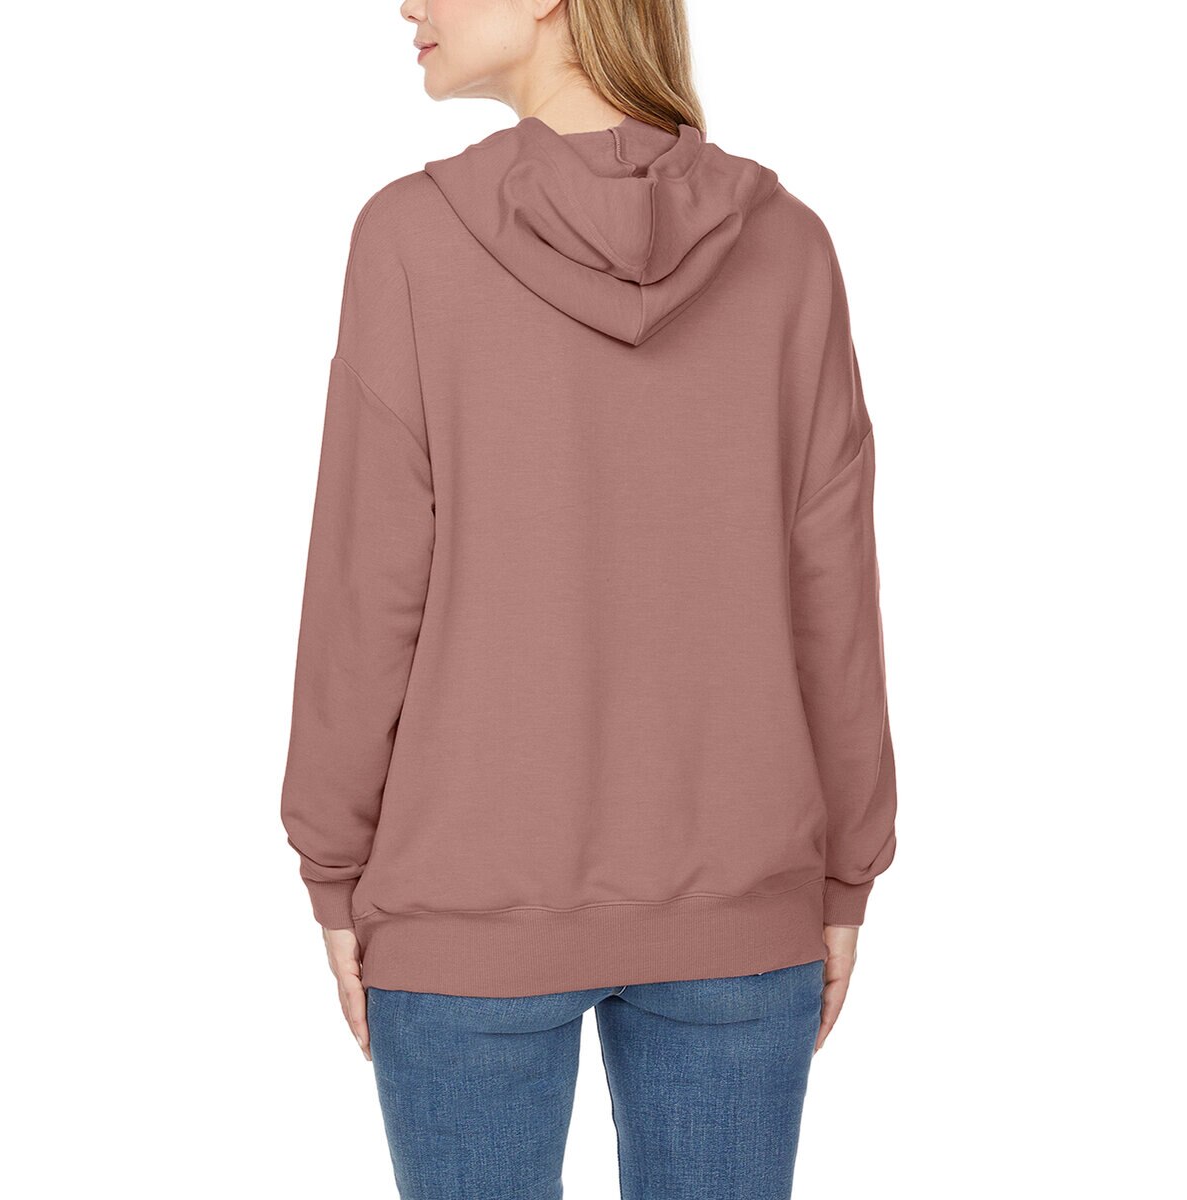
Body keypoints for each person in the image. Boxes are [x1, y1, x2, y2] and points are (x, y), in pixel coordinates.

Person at [279, 1, 898, 1196]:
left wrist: (332, 864)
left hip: (463, 909)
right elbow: (832, 593)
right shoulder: (787, 246)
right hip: (740, 907)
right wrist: (844, 869)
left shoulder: (409, 239)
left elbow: (364, 589)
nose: (408, 4)